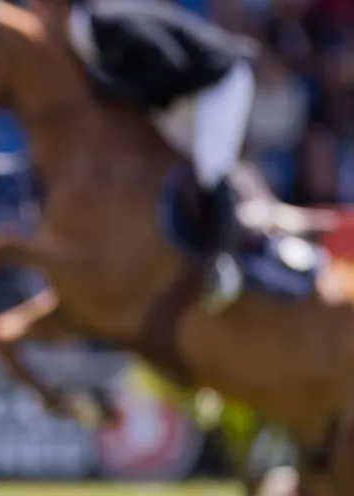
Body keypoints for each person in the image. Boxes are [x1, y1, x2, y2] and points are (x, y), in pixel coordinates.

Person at [63, 0, 259, 311]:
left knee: (210, 167)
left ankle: (228, 261)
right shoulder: (98, 23)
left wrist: (117, 88)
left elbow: (171, 63)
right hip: (187, 91)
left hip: (219, 80)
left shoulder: (106, 22)